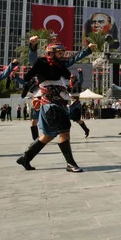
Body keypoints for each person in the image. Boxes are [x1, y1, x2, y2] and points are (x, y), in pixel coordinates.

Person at [16, 42, 96, 172]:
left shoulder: (61, 66)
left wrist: (87, 50)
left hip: (59, 104)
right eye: (59, 53)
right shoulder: (42, 65)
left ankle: (26, 157)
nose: (62, 55)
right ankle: (70, 164)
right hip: (51, 105)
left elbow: (74, 58)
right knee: (64, 132)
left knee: (48, 136)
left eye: (63, 53)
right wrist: (32, 46)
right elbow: (32, 59)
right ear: (51, 53)